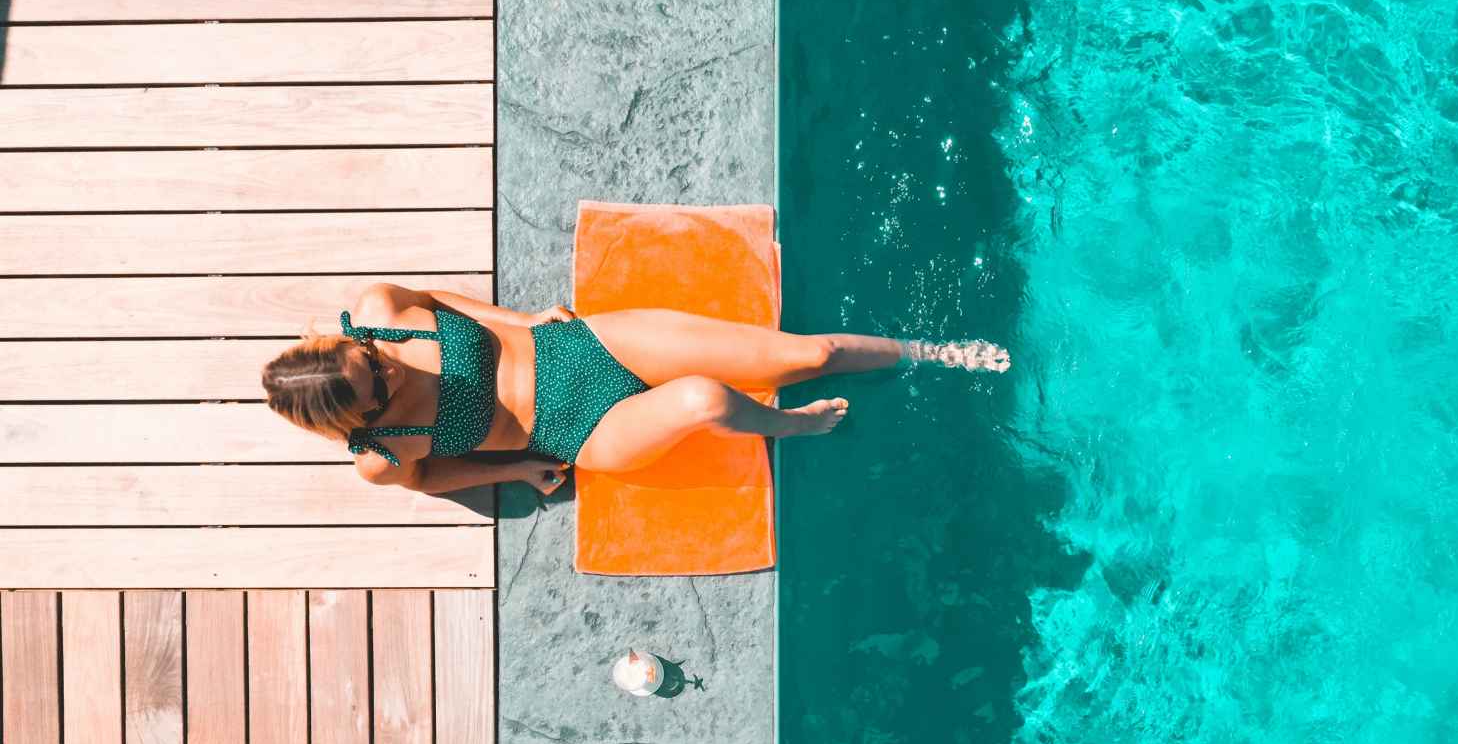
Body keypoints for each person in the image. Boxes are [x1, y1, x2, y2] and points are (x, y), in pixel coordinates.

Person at [261, 282, 1008, 497]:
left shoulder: (382, 314)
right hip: (585, 428)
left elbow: (439, 299)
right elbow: (428, 478)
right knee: (704, 400)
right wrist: (516, 469)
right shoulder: (380, 454)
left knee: (805, 352)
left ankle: (932, 352)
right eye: (378, 390)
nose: (391, 371)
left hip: (581, 343)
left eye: (371, 359)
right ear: (355, 421)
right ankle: (795, 428)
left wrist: (519, 316)